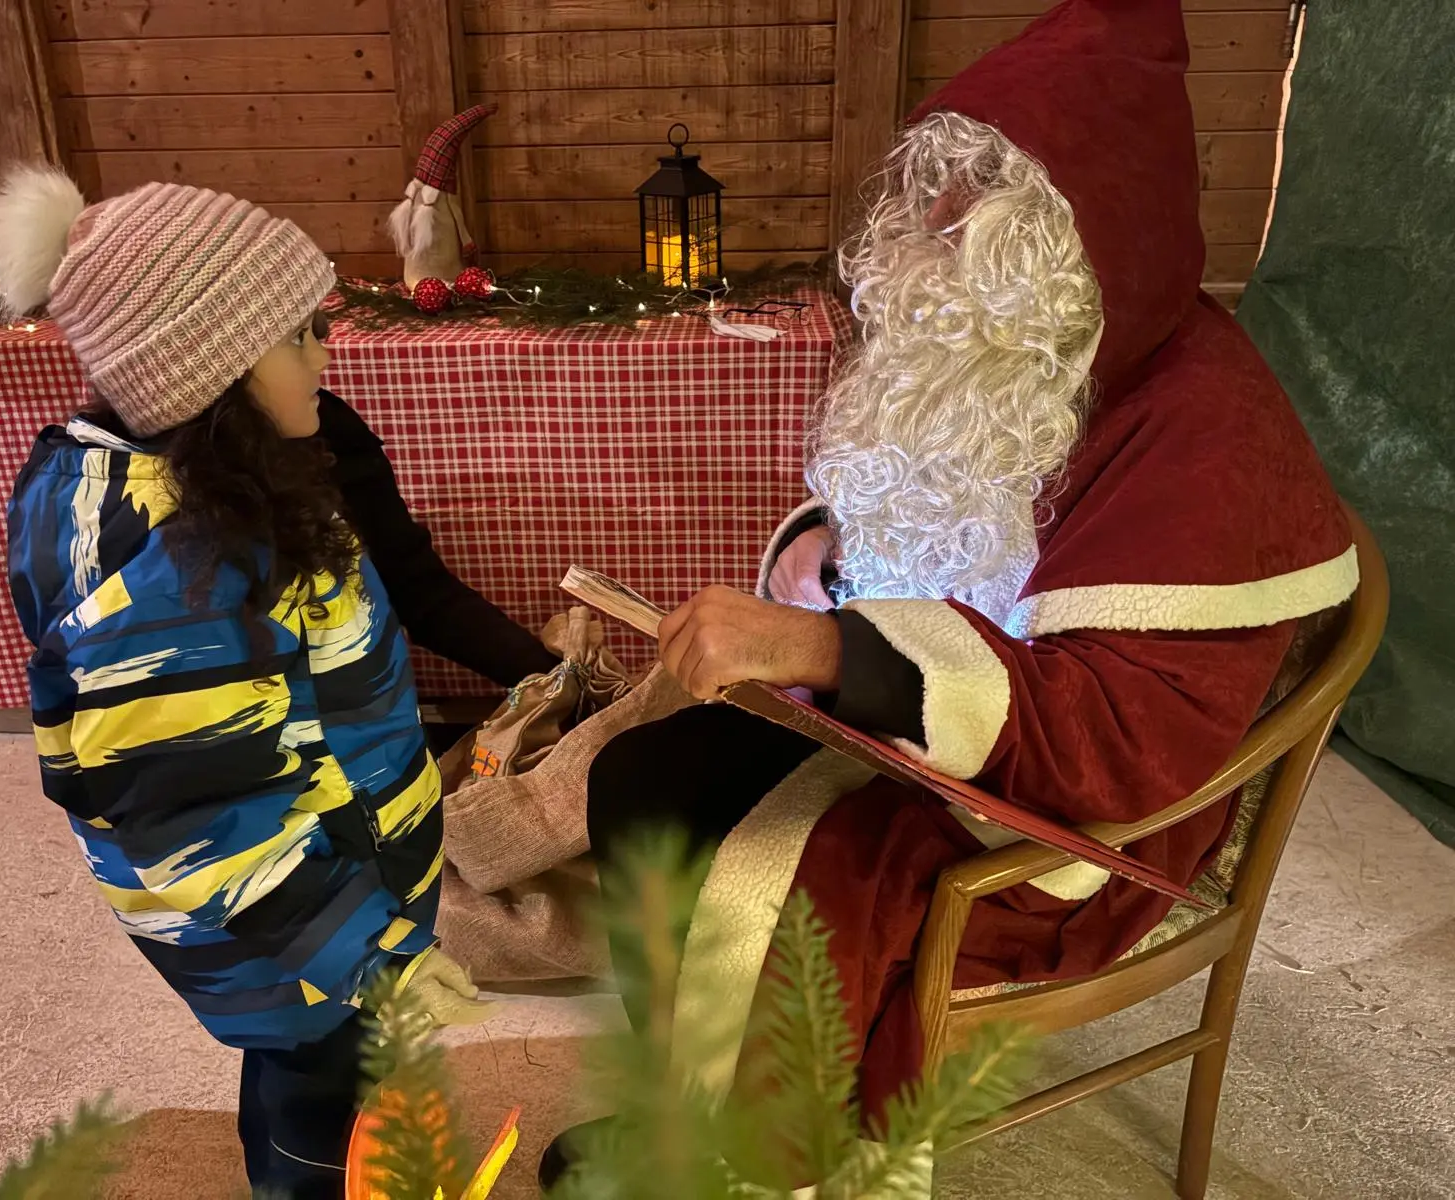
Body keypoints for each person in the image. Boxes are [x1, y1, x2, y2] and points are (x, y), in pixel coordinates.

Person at [543, 0, 1360, 1184]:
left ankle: (759, 1156)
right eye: (941, 176)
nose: (935, 220)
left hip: (1065, 826)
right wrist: (827, 580)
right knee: (641, 776)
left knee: (777, 875)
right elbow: (939, 522)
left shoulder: (1205, 441)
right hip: (944, 732)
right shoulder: (1038, 345)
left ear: (1089, 234)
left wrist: (828, 655)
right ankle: (693, 1096)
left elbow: (1113, 750)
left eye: (989, 191)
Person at [0, 168, 555, 1199]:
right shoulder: (179, 562)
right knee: (315, 1086)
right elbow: (202, 808)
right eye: (299, 336)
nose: (325, 357)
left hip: (325, 879)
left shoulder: (225, 486)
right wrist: (370, 953)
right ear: (206, 372)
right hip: (294, 917)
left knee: (322, 1073)